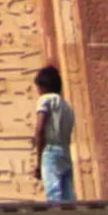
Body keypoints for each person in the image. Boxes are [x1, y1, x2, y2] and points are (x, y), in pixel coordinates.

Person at [32, 64, 77, 203]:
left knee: (53, 193)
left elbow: (40, 129)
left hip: (50, 149)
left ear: (43, 86)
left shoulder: (45, 100)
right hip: (64, 151)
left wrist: (38, 161)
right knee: (67, 194)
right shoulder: (66, 106)